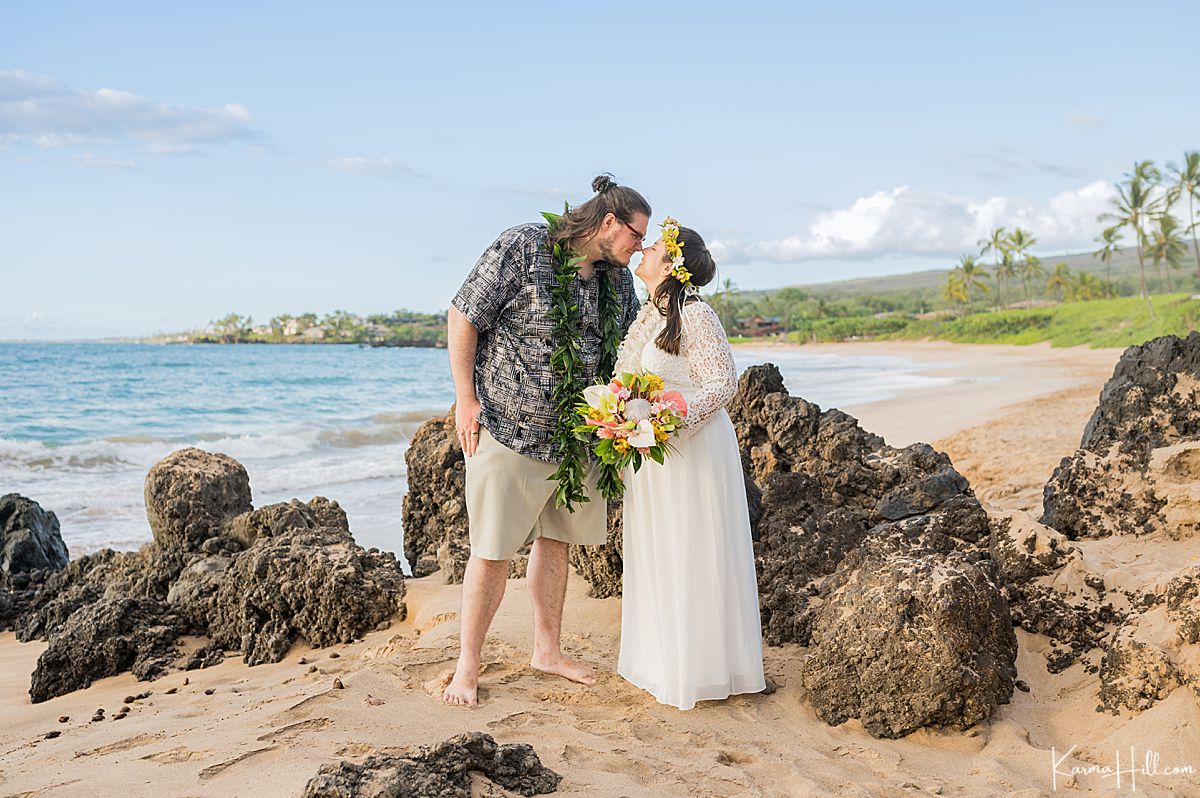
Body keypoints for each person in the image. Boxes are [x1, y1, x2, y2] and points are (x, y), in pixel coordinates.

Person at [442, 175, 650, 705]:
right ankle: (467, 666)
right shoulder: (523, 247)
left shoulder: (618, 280)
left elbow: (627, 347)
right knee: (490, 551)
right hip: (508, 427)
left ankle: (547, 650)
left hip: (577, 437)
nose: (639, 247)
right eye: (635, 235)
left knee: (555, 543)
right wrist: (466, 399)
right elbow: (463, 316)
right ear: (609, 223)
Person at [613, 218, 767, 710]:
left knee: (692, 547)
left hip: (691, 447)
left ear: (670, 264)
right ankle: (661, 661)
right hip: (651, 452)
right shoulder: (651, 315)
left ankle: (701, 668)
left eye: (652, 245)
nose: (644, 248)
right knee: (658, 548)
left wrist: (666, 420)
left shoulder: (695, 313)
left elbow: (723, 383)